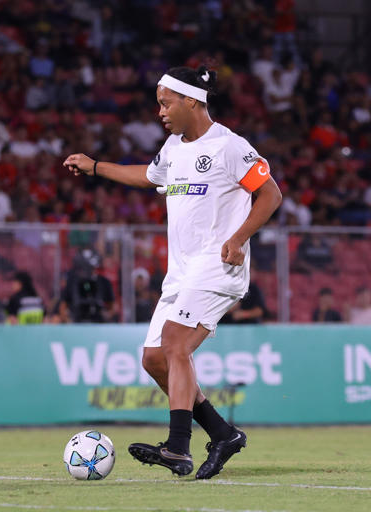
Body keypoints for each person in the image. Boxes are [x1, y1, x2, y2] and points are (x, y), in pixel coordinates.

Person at [64, 65, 282, 479]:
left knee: (174, 343)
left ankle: (177, 447)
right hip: (181, 270)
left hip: (218, 263)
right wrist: (95, 167)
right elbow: (148, 177)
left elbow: (271, 194)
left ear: (191, 101)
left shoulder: (229, 146)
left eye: (166, 102)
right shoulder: (173, 147)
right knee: (153, 359)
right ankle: (222, 433)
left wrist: (238, 239)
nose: (160, 111)